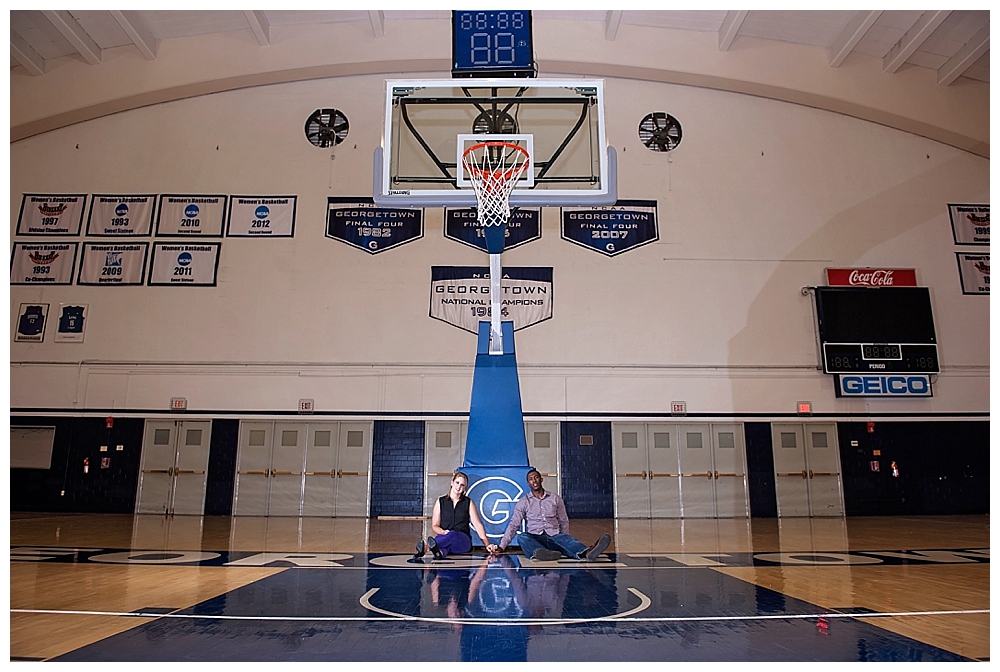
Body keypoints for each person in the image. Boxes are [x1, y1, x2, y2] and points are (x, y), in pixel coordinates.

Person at [487, 468, 611, 562]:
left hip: (554, 535)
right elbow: (514, 525)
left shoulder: (555, 499)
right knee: (522, 537)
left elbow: (564, 520)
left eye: (536, 477)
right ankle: (542, 553)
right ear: (528, 483)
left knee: (567, 541)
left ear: (541, 479)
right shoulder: (523, 502)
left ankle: (587, 552)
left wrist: (565, 538)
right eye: (531, 479)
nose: (534, 480)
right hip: (536, 537)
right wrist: (502, 547)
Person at [414, 471, 492, 560]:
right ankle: (439, 553)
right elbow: (435, 526)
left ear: (465, 488)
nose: (459, 487)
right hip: (444, 537)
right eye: (457, 483)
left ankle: (426, 548)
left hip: (463, 541)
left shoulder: (468, 503)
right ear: (452, 483)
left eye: (462, 485)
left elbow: (477, 525)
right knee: (444, 548)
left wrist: (487, 544)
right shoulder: (440, 502)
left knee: (452, 534)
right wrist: (443, 532)